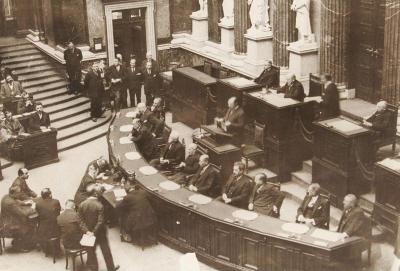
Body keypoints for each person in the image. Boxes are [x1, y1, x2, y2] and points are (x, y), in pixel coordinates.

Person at [78, 185, 120, 271]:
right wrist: (94, 232)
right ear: (95, 194)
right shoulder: (99, 205)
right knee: (106, 252)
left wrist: (87, 232)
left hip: (88, 234)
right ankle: (111, 268)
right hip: (100, 233)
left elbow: (80, 221)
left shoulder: (81, 205)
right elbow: (100, 222)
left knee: (92, 253)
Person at [0, 186, 37, 252]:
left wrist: (25, 202)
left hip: (5, 220)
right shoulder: (10, 203)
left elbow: (16, 201)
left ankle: (18, 241)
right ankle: (22, 245)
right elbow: (22, 213)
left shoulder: (6, 197)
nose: (20, 194)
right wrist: (33, 209)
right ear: (13, 193)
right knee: (30, 225)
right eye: (18, 193)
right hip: (10, 224)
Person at [35, 188, 61, 254]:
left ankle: (45, 247)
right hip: (55, 230)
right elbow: (58, 213)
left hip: (43, 231)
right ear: (50, 195)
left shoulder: (38, 204)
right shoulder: (56, 202)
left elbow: (38, 216)